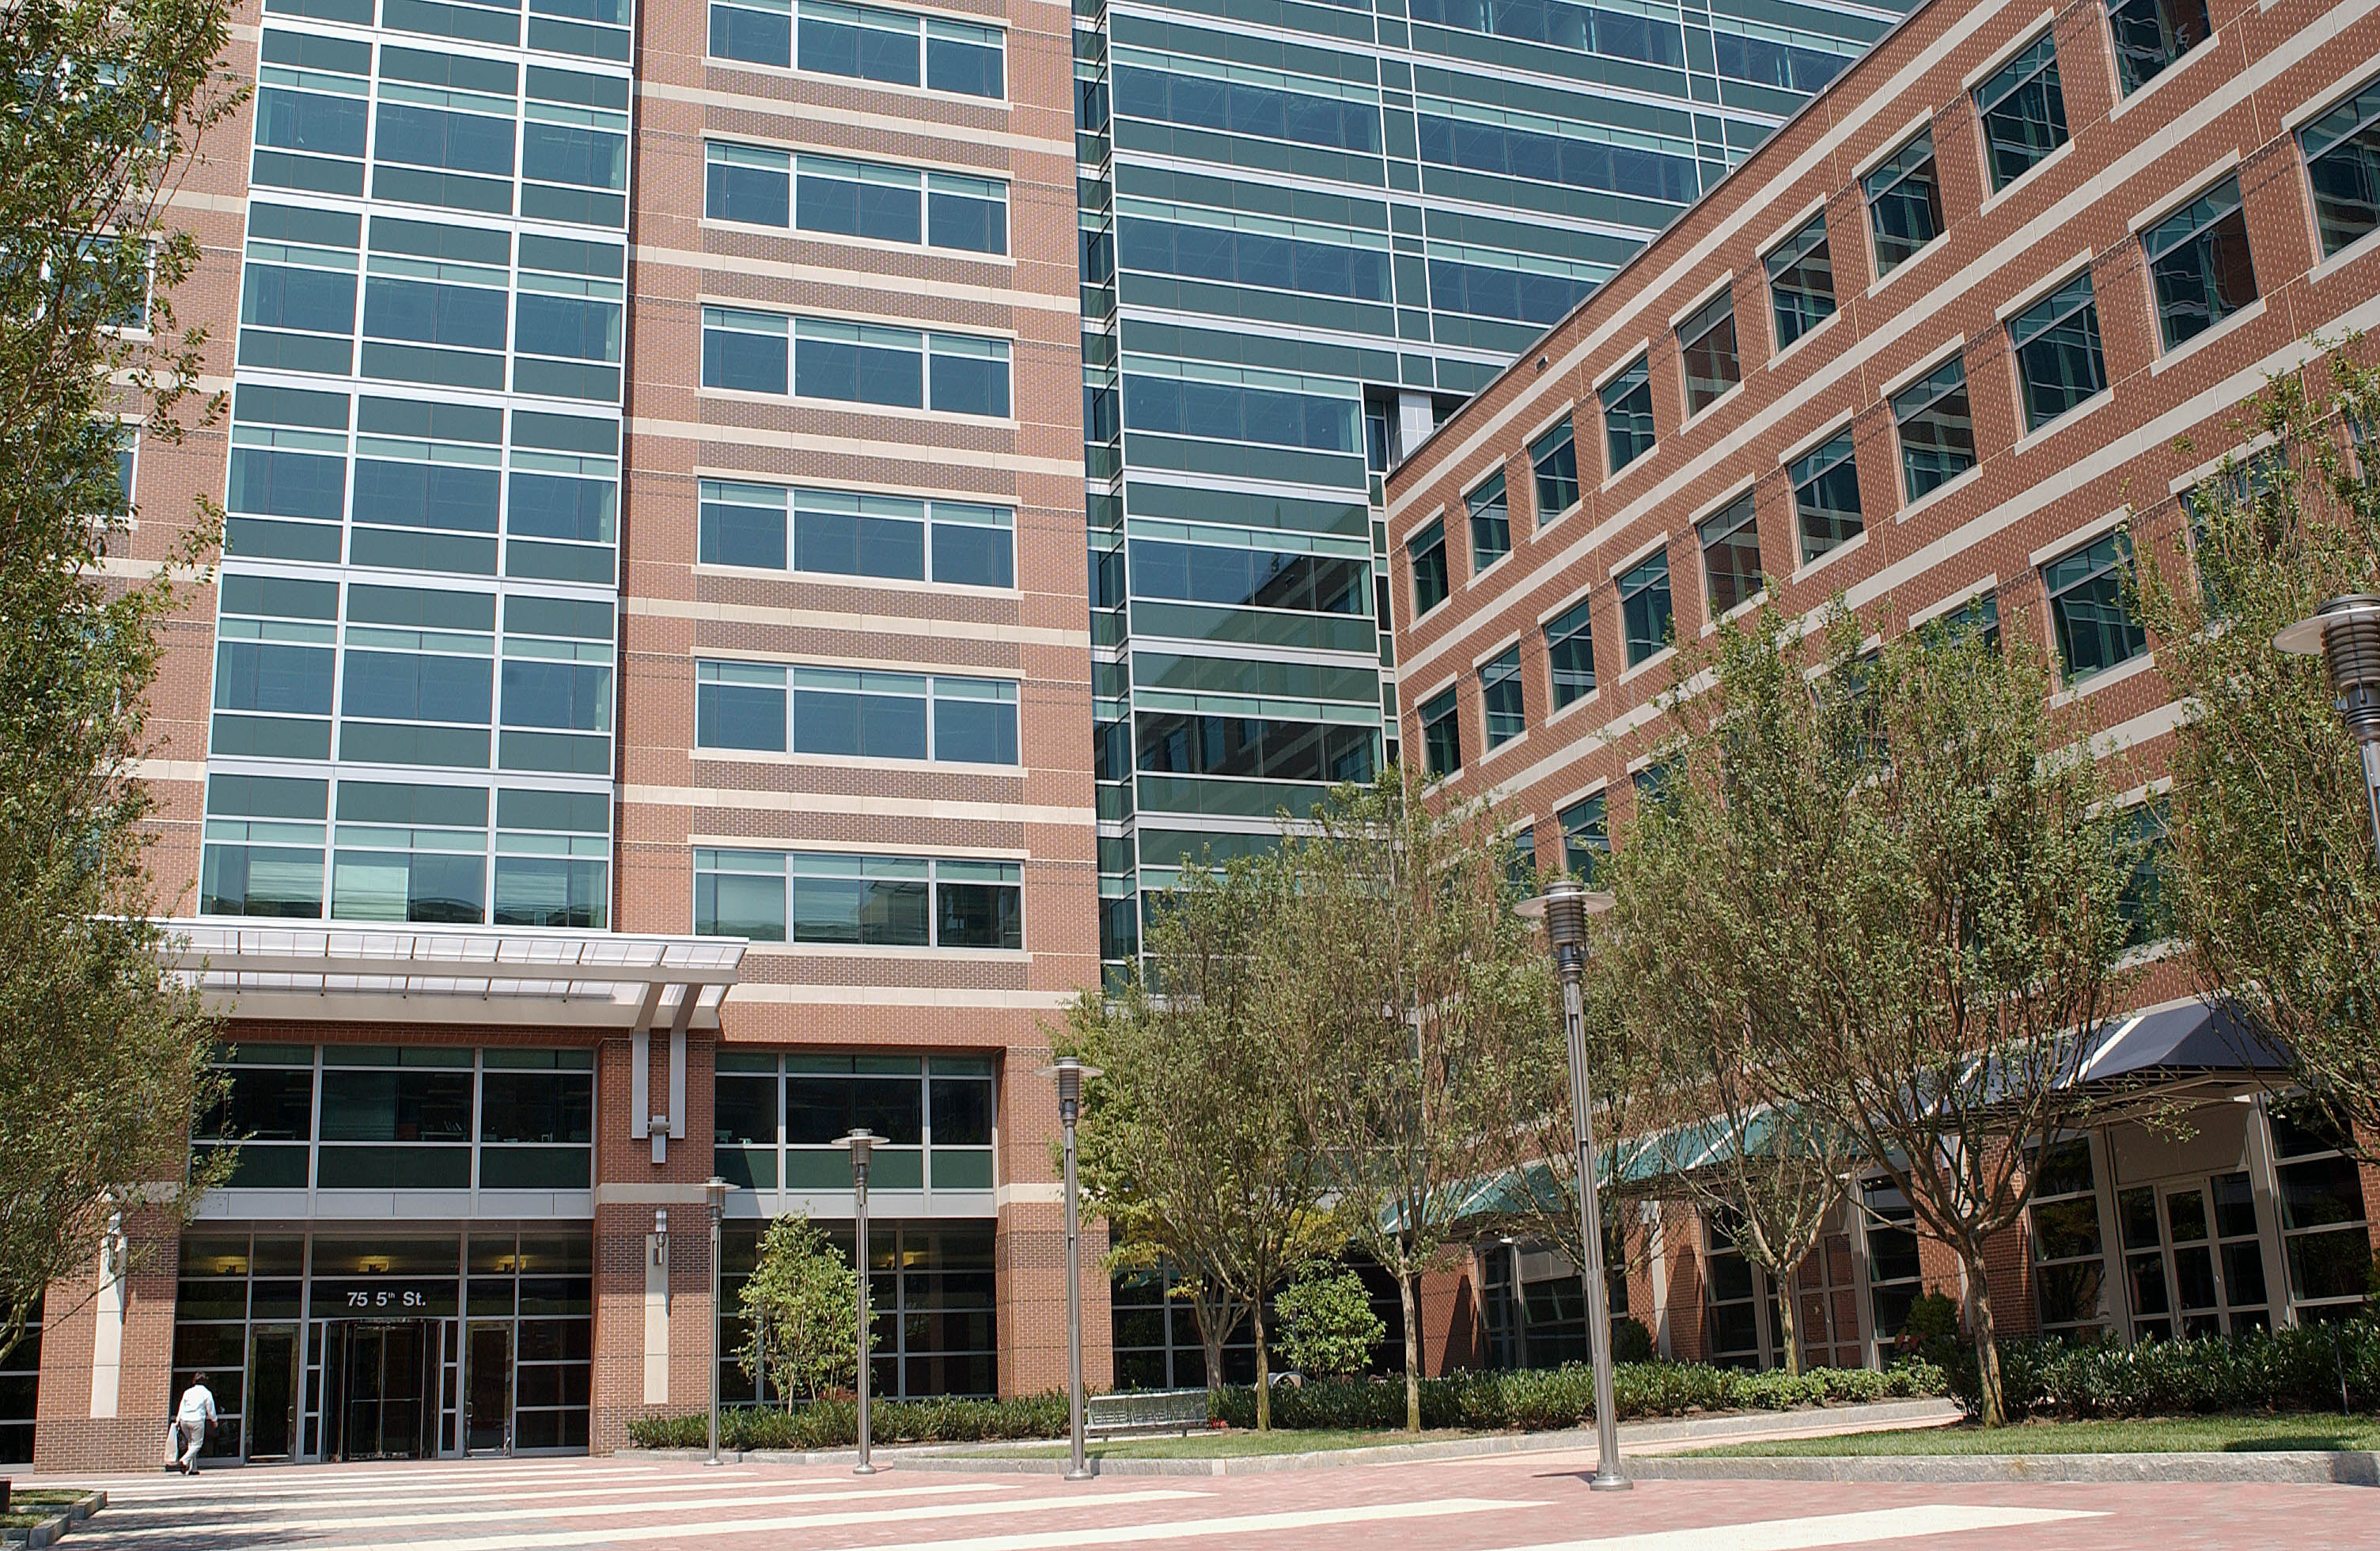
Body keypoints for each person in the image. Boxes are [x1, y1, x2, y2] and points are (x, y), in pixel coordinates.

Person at [171, 1375, 217, 1475]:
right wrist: (214, 1420)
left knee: (191, 1444)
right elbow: (210, 1408)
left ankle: (192, 1469)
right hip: (197, 1420)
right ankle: (183, 1461)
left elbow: (181, 1406)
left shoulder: (188, 1392)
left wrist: (178, 1420)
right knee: (197, 1444)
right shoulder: (206, 1393)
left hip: (184, 1420)